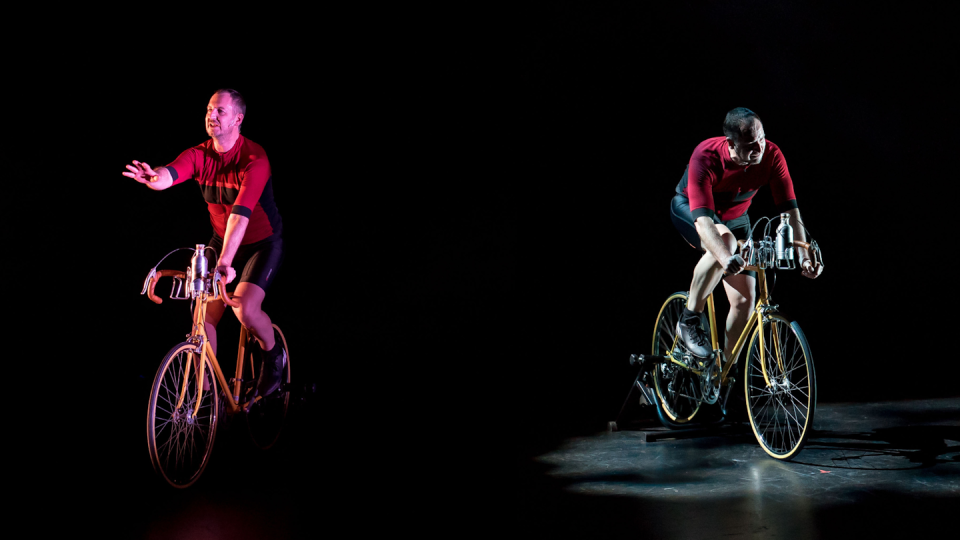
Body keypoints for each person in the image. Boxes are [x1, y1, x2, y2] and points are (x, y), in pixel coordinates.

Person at [123, 88, 286, 397]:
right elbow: (170, 173)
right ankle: (208, 392)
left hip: (261, 243)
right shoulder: (199, 155)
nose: (211, 115)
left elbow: (240, 216)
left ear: (237, 118)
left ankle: (272, 353)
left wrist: (225, 263)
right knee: (203, 313)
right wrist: (153, 178)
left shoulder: (255, 159)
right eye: (209, 110)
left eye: (219, 111)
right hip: (221, 240)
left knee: (245, 310)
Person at [669, 107, 823, 363]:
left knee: (746, 300)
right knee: (725, 241)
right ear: (731, 142)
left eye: (762, 139)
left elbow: (791, 213)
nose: (759, 149)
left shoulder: (772, 155)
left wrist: (804, 255)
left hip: (737, 218)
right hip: (693, 209)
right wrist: (725, 256)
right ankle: (688, 320)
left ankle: (719, 377)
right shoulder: (706, 155)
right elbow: (705, 223)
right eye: (751, 145)